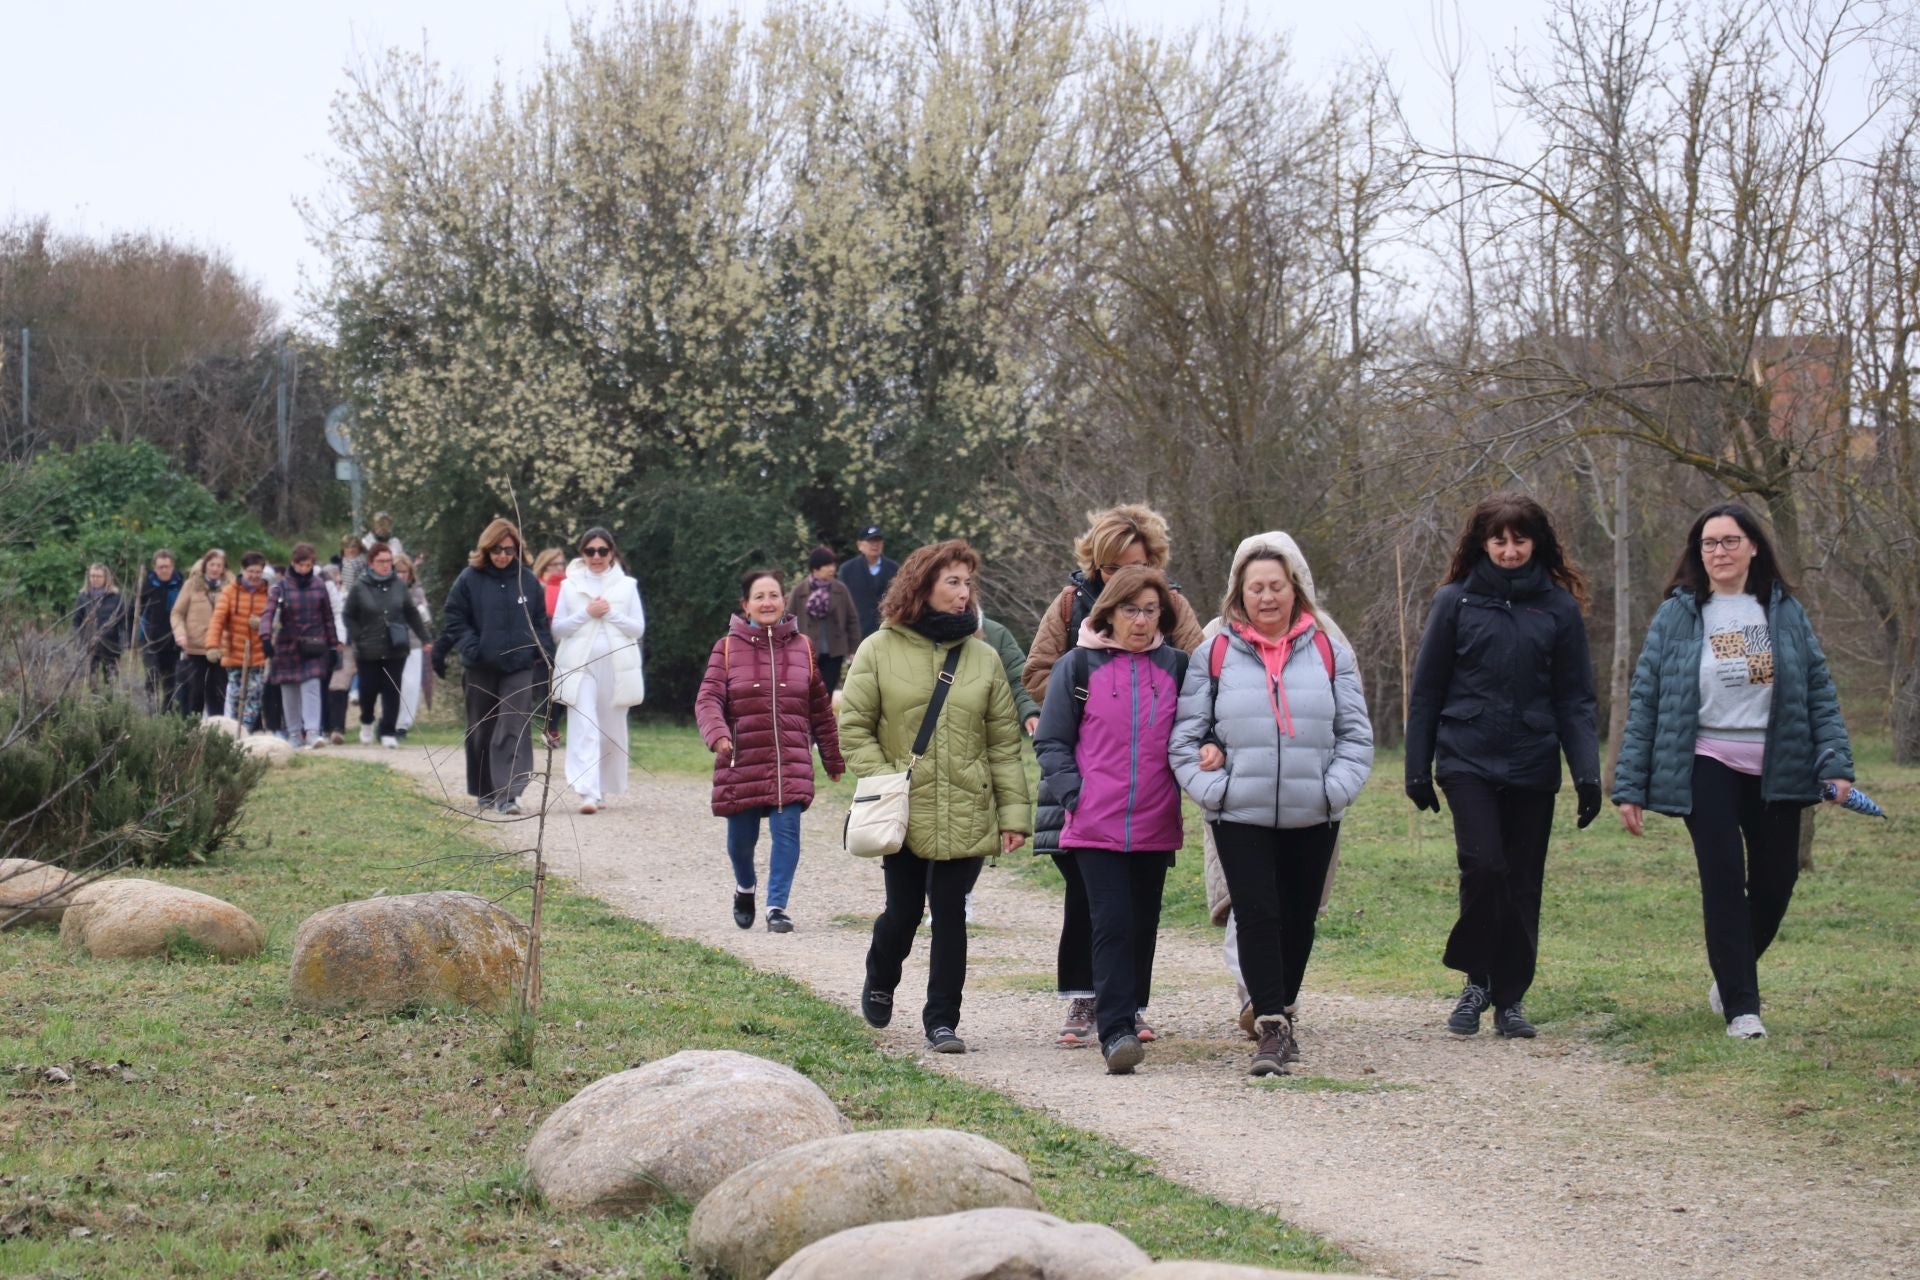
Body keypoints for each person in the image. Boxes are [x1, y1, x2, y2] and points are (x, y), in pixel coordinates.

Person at [1612, 503, 1855, 1041]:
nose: (1718, 551)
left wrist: (1837, 763)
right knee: (1722, 881)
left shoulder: (1784, 612)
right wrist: (1629, 785)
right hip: (1707, 761)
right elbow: (1646, 699)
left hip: (1777, 765)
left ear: (1753, 547)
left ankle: (1729, 974)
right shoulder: (1677, 614)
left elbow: (1819, 690)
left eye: (1729, 541)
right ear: (1697, 553)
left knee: (1776, 882)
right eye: (1708, 543)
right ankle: (1743, 1008)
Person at [1169, 537, 1373, 1076]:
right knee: (1257, 914)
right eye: (1256, 587)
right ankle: (1272, 1027)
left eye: (1276, 586)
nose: (1267, 597)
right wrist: (1215, 791)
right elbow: (1185, 736)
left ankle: (1281, 1006)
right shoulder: (1214, 650)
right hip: (1240, 812)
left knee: (1298, 919)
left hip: (1314, 811)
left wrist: (1334, 791)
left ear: (1294, 588)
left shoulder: (1329, 649)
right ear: (1240, 592)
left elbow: (1355, 734)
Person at [1404, 494, 1601, 1040]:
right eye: (1500, 540)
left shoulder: (1558, 608)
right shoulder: (1455, 601)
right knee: (1485, 867)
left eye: (1520, 540)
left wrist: (1586, 772)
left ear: (1536, 543)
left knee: (1522, 881)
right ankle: (1475, 980)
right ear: (1483, 544)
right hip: (1466, 755)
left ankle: (1508, 997)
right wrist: (1417, 767)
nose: (1510, 551)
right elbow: (1427, 690)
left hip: (1532, 758)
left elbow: (1575, 698)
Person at [1024, 504, 1206, 1048]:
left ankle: (1126, 1004)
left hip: (1148, 793)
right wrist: (1093, 682)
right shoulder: (1068, 609)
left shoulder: (1170, 609)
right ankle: (1090, 996)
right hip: (1085, 782)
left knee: (1137, 910)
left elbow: (1200, 671)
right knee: (1092, 901)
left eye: (1135, 565)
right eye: (1111, 568)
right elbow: (1037, 675)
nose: (1123, 577)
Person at [842, 540, 1032, 1054]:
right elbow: (854, 727)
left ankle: (942, 1020)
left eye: (968, 583)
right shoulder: (878, 649)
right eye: (953, 582)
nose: (964, 592)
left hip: (967, 804)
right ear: (922, 585)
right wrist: (886, 780)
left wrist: (1013, 815)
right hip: (904, 809)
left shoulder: (984, 657)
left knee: (950, 915)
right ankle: (881, 975)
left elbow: (1002, 743)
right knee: (903, 912)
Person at [695, 567, 844, 931]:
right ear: (745, 605)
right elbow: (708, 699)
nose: (767, 602)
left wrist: (832, 757)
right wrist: (718, 734)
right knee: (741, 842)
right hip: (742, 759)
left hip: (789, 760)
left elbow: (820, 709)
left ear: (784, 601)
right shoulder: (726, 648)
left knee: (787, 833)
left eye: (773, 595)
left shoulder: (803, 647)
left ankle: (777, 907)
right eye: (759, 597)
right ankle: (745, 887)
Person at [441, 518, 554, 815]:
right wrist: (472, 647)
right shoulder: (469, 579)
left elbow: (540, 621)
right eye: (497, 550)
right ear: (486, 549)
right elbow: (454, 617)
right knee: (482, 728)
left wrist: (543, 652)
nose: (503, 555)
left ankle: (509, 794)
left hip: (519, 666)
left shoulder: (528, 581)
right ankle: (485, 789)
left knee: (513, 725)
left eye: (508, 550)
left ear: (517, 550)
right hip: (480, 666)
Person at [552, 528, 647, 813]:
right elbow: (558, 628)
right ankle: (588, 793)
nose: (596, 556)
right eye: (590, 551)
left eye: (602, 551)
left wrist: (610, 613)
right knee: (584, 725)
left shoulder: (627, 586)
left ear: (611, 553)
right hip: (580, 666)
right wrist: (586, 614)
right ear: (582, 553)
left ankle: (601, 787)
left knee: (609, 729)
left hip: (616, 667)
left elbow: (638, 628)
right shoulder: (569, 585)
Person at [344, 541, 432, 748]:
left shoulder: (399, 586)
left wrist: (425, 638)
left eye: (388, 561)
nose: (385, 565)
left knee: (392, 690)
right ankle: (367, 722)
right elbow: (348, 615)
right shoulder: (360, 586)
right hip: (368, 649)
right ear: (371, 563)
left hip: (395, 646)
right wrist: (358, 636)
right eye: (381, 561)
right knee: (368, 690)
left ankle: (388, 731)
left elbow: (412, 613)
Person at [261, 543, 338, 749]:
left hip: (314, 645)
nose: (304, 569)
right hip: (286, 646)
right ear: (293, 563)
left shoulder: (319, 585)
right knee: (289, 690)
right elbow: (268, 613)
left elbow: (328, 618)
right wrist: (265, 637)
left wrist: (333, 645)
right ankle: (294, 733)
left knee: (312, 686)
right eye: (300, 565)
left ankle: (312, 732)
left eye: (308, 565)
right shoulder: (279, 587)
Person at [205, 552, 272, 731]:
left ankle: (245, 730)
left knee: (254, 695)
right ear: (242, 570)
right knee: (235, 695)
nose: (254, 575)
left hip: (259, 655)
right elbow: (217, 620)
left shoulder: (269, 593)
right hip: (234, 653)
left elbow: (278, 620)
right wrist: (212, 645)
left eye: (258, 572)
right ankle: (234, 729)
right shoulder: (229, 592)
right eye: (251, 571)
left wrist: (263, 624)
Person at [788, 548, 861, 693]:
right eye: (827, 565)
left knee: (826, 692)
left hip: (834, 651)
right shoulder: (799, 591)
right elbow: (788, 621)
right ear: (815, 568)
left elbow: (852, 620)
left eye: (833, 564)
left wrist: (854, 649)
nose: (832, 569)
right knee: (808, 692)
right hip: (807, 652)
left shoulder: (840, 589)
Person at [171, 549, 231, 718]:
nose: (215, 568)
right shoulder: (191, 585)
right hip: (195, 648)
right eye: (212, 564)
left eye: (219, 565)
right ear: (205, 566)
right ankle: (192, 729)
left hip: (220, 649)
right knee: (194, 695)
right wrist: (180, 634)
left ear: (224, 568)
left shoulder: (230, 587)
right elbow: (177, 613)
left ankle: (217, 729)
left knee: (218, 695)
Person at [134, 549, 186, 711]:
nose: (164, 570)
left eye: (167, 567)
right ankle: (151, 710)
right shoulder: (146, 585)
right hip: (149, 638)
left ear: (173, 566)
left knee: (171, 679)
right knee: (152, 674)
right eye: (160, 567)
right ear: (154, 568)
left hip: (173, 639)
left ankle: (167, 712)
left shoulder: (181, 584)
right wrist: (132, 636)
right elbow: (133, 610)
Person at [394, 553, 432, 739]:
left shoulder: (417, 592)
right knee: (393, 685)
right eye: (398, 571)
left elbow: (426, 619)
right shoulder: (383, 591)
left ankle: (403, 725)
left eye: (404, 572)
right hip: (390, 645)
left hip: (413, 643)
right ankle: (389, 721)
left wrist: (427, 638)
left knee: (410, 685)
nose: (401, 575)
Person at [838, 525, 899, 640]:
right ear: (859, 545)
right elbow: (841, 604)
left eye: (878, 541)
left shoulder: (894, 568)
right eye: (871, 541)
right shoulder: (847, 570)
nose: (875, 545)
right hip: (858, 633)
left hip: (887, 632)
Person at [533, 547, 568, 747]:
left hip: (565, 644)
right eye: (555, 564)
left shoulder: (569, 587)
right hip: (542, 647)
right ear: (544, 566)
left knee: (563, 691)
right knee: (548, 691)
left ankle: (554, 728)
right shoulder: (536, 587)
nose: (559, 568)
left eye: (562, 564)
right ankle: (549, 730)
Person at [71, 564, 128, 685]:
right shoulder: (83, 597)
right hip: (89, 643)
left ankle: (110, 696)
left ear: (106, 578)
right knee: (91, 677)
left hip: (111, 644)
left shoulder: (116, 597)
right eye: (92, 576)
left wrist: (122, 641)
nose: (95, 579)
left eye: (98, 576)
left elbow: (123, 622)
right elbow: (76, 621)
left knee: (111, 679)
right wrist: (78, 640)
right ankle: (94, 695)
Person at [320, 563, 352, 744]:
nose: (337, 585)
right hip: (321, 646)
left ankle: (338, 728)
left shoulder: (349, 597)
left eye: (339, 582)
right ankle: (325, 727)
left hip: (344, 647)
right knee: (323, 686)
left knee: (340, 687)